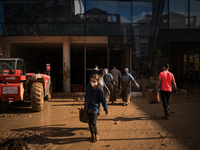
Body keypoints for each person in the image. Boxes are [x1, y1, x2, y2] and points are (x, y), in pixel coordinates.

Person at [84, 74, 108, 142]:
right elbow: (86, 97)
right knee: (89, 122)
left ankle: (96, 134)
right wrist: (85, 106)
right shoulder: (88, 87)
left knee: (93, 122)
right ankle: (92, 135)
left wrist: (105, 108)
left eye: (94, 81)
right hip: (88, 107)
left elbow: (103, 99)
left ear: (97, 81)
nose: (92, 83)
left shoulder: (100, 89)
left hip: (95, 107)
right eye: (91, 81)